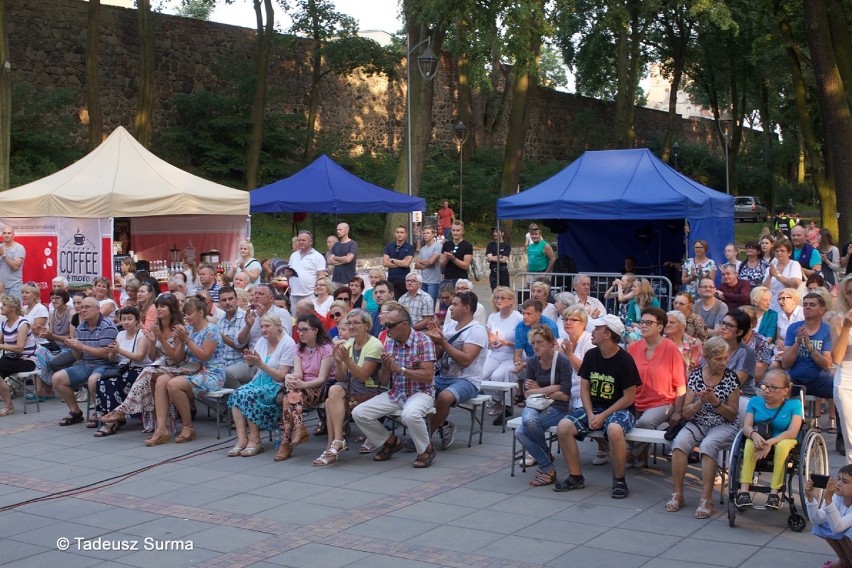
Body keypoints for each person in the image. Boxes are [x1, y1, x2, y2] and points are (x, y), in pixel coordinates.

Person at [553, 314, 641, 498]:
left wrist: (602, 415)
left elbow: (629, 398)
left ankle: (619, 480)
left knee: (615, 430)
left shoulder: (625, 360)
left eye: (597, 329)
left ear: (608, 334)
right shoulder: (592, 355)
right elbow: (585, 388)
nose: (592, 332)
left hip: (620, 408)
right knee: (564, 427)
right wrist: (591, 412)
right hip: (594, 407)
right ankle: (575, 476)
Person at [351, 304, 437, 468]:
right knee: (359, 412)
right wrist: (385, 367)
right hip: (397, 392)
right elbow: (383, 381)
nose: (386, 328)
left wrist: (401, 370)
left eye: (390, 325)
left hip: (421, 392)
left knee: (409, 415)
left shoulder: (423, 341)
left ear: (404, 324)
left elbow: (428, 376)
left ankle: (426, 449)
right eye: (385, 325)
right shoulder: (389, 343)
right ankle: (390, 441)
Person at [666, 336, 741, 518]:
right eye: (719, 359)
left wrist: (715, 403)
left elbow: (732, 414)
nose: (724, 362)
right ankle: (678, 494)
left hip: (724, 424)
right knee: (679, 444)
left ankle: (706, 499)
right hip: (698, 421)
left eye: (726, 357)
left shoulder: (731, 378)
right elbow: (685, 412)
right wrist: (700, 403)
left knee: (708, 446)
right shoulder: (696, 375)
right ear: (707, 357)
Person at [144, 296, 225, 446]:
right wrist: (165, 339)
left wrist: (187, 340)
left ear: (200, 313)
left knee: (173, 384)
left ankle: (188, 427)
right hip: (189, 369)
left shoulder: (211, 330)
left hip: (211, 373)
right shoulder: (188, 330)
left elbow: (205, 356)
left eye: (189, 314)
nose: (186, 318)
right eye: (185, 314)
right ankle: (162, 429)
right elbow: (177, 358)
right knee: (160, 379)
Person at [100, 294, 185, 433]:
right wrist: (152, 342)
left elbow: (177, 359)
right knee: (147, 374)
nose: (158, 309)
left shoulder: (178, 329)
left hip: (177, 368)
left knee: (146, 371)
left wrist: (161, 341)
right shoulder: (157, 327)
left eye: (162, 306)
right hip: (160, 366)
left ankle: (122, 410)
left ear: (172, 309)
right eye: (157, 306)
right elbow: (152, 357)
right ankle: (160, 426)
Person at [313, 308, 383, 465]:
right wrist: (338, 361)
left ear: (366, 325)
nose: (351, 326)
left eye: (356, 323)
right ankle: (337, 442)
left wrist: (347, 360)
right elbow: (341, 377)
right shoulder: (350, 343)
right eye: (349, 323)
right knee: (332, 394)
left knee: (330, 401)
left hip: (370, 388)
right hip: (351, 386)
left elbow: (364, 376)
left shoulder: (375, 344)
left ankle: (333, 446)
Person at [425, 290, 487, 452]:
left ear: (467, 308)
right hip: (443, 376)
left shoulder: (477, 330)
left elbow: (466, 360)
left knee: (444, 397)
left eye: (455, 304)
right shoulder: (450, 326)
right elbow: (439, 356)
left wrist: (443, 342)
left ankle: (425, 438)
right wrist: (436, 341)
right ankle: (444, 425)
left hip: (467, 380)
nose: (450, 308)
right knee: (417, 391)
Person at [227, 313, 295, 457]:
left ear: (278, 327)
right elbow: (256, 365)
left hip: (276, 384)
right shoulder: (262, 341)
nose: (263, 330)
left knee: (249, 395)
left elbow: (281, 375)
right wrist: (250, 360)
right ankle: (242, 439)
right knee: (237, 394)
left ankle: (255, 440)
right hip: (260, 380)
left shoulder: (288, 343)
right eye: (262, 326)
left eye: (267, 326)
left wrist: (259, 364)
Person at [735, 369, 803, 509]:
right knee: (748, 443)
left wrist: (771, 442)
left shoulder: (794, 405)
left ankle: (774, 493)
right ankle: (744, 491)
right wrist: (754, 435)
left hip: (785, 439)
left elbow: (792, 431)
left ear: (785, 391)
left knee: (783, 446)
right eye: (765, 386)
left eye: (773, 387)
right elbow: (746, 426)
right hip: (760, 437)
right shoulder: (754, 402)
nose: (767, 390)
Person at [627, 307, 686, 466]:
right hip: (635, 399)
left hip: (662, 401)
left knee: (645, 423)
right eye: (642, 322)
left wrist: (678, 411)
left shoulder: (670, 348)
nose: (643, 326)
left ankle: (630, 454)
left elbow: (680, 383)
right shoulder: (633, 347)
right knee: (618, 421)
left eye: (648, 323)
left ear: (660, 327)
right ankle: (639, 454)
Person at [514, 325, 572, 487]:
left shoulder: (562, 362)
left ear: (551, 343)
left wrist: (539, 390)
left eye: (540, 342)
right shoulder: (532, 362)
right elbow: (527, 394)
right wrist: (554, 388)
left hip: (559, 407)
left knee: (522, 430)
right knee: (524, 427)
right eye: (533, 343)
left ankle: (546, 466)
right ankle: (547, 464)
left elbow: (565, 394)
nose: (536, 347)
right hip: (536, 404)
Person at [274, 314, 335, 461]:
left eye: (305, 330)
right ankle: (299, 429)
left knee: (289, 398)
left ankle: (286, 443)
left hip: (322, 387)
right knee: (290, 394)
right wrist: (291, 377)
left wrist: (302, 385)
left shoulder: (326, 348)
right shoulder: (298, 348)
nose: (301, 333)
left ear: (315, 330)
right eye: (299, 330)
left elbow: (322, 379)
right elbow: (299, 373)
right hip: (302, 389)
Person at [52, 296, 118, 426]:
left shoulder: (107, 326)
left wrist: (81, 346)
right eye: (81, 307)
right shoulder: (81, 327)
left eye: (87, 307)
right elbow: (79, 357)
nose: (83, 310)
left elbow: (106, 354)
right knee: (57, 378)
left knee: (93, 380)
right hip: (86, 364)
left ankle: (99, 412)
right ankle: (75, 412)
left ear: (98, 309)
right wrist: (75, 348)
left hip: (105, 365)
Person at [91, 306, 152, 436]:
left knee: (115, 382)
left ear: (137, 320)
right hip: (123, 367)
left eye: (130, 319)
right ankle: (109, 415)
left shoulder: (142, 335)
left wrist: (119, 350)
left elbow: (139, 357)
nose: (126, 322)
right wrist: (112, 352)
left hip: (140, 368)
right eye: (123, 319)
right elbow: (113, 359)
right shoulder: (120, 334)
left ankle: (113, 420)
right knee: (102, 381)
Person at [779, 292, 834, 401]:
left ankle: (837, 418)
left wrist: (809, 346)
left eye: (812, 305)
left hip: (819, 381)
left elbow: (827, 365)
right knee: (776, 386)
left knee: (839, 389)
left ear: (821, 310)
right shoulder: (793, 328)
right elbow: (785, 364)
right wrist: (797, 343)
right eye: (805, 305)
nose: (807, 307)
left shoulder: (828, 330)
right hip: (794, 380)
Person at [483, 287, 523, 423]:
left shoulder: (518, 318)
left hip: (510, 355)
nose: (498, 301)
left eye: (502, 298)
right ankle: (496, 400)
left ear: (511, 301)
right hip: (495, 353)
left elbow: (521, 341)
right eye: (496, 298)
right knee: (482, 374)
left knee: (497, 376)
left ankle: (506, 405)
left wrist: (505, 343)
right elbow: (489, 334)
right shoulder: (493, 316)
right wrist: (491, 340)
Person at [805, 465, 852, 568]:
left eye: (845, 482)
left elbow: (838, 527)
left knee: (849, 532)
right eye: (839, 479)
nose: (838, 483)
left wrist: (828, 501)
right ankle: (844, 561)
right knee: (824, 523)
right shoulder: (837, 497)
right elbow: (816, 520)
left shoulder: (832, 498)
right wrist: (810, 498)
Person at [0, 295, 37, 416]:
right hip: (11, 359)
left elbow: (19, 347)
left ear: (13, 308)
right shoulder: (5, 323)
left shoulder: (23, 323)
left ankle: (9, 405)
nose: (1, 307)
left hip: (26, 360)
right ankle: (9, 405)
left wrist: (1, 346)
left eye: (4, 304)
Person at [833, 274, 852, 461]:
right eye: (850, 293)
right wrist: (847, 327)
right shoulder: (838, 320)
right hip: (847, 380)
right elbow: (837, 358)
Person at [288, 230, 328, 305]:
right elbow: (289, 274)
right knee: (294, 317)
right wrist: (287, 274)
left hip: (309, 295)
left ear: (310, 242)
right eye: (299, 240)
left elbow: (322, 276)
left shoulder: (317, 256)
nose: (301, 242)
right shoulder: (293, 255)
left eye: (303, 240)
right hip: (294, 294)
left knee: (308, 316)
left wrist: (317, 292)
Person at [218, 286, 247, 388]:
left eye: (230, 299)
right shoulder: (220, 320)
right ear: (220, 303)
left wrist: (221, 336)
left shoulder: (245, 318)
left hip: (241, 363)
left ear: (237, 300)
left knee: (226, 373)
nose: (227, 302)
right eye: (224, 300)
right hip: (222, 363)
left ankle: (238, 397)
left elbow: (241, 346)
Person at [764, 238, 804, 312]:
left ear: (789, 253)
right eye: (777, 251)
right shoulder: (771, 267)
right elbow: (764, 289)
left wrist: (777, 275)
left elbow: (794, 284)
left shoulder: (794, 264)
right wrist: (770, 276)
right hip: (772, 308)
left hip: (790, 308)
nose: (779, 253)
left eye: (782, 251)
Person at [439, 220, 473, 289]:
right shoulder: (446, 244)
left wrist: (453, 258)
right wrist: (446, 258)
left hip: (461, 281)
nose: (455, 233)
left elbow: (466, 266)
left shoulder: (467, 245)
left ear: (462, 232)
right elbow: (441, 264)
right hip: (447, 279)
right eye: (453, 230)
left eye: (458, 230)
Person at [383, 226, 414, 299]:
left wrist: (393, 260)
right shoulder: (389, 246)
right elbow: (385, 263)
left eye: (402, 232)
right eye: (397, 232)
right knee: (393, 303)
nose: (399, 234)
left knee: (404, 302)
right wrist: (401, 263)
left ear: (405, 234)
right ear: (395, 233)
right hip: (391, 279)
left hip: (404, 280)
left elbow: (406, 264)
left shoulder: (409, 247)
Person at [328, 223, 358, 290]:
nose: (338, 231)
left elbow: (348, 259)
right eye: (337, 230)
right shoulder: (336, 245)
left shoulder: (352, 244)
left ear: (347, 231)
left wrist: (335, 257)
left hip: (348, 279)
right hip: (336, 278)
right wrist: (344, 259)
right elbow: (329, 260)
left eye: (340, 229)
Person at [0, 226, 25, 299]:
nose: (6, 235)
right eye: (4, 233)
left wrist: (3, 255)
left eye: (9, 233)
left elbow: (15, 267)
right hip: (1, 287)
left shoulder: (19, 248)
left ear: (14, 235)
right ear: (2, 235)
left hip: (14, 287)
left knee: (14, 310)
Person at [486, 226, 511, 291]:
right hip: (494, 272)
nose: (495, 234)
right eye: (494, 232)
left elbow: (503, 260)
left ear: (502, 233)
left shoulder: (506, 245)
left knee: (505, 291)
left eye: (497, 232)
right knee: (495, 292)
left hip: (503, 272)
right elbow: (488, 258)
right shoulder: (490, 245)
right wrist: (499, 256)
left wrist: (492, 258)